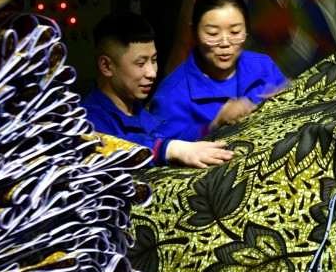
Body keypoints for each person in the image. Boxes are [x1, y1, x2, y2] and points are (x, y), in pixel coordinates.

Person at [80, 11, 234, 169]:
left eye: (153, 60)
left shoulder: (137, 112)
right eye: (140, 64)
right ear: (106, 66)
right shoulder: (87, 123)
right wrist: (170, 149)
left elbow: (177, 142)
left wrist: (215, 123)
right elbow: (116, 147)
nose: (152, 73)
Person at [150, 0, 287, 141]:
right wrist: (214, 125)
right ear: (194, 32)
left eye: (235, 32)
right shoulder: (171, 95)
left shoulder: (264, 67)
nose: (225, 43)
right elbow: (159, 153)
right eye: (213, 34)